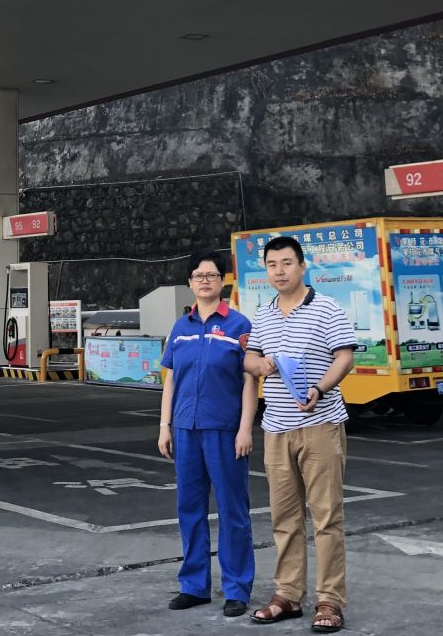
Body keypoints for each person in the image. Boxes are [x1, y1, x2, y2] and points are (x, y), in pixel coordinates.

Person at [243, 235, 356, 632]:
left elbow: (345, 357)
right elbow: (250, 357)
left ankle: (330, 601)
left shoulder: (327, 308)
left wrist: (319, 389)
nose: (279, 271)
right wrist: (260, 365)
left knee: (326, 517)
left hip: (320, 425)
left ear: (302, 266)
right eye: (272, 265)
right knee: (284, 517)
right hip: (276, 429)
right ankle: (288, 595)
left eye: (286, 263)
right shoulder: (264, 314)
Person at [158, 250, 257, 617]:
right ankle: (194, 585)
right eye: (198, 276)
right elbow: (171, 380)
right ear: (190, 282)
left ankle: (236, 589)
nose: (205, 281)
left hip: (225, 430)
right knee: (189, 508)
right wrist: (165, 425)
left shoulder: (238, 325)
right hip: (185, 429)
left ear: (223, 281)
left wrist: (245, 429)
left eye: (211, 275)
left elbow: (250, 381)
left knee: (233, 510)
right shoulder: (180, 328)